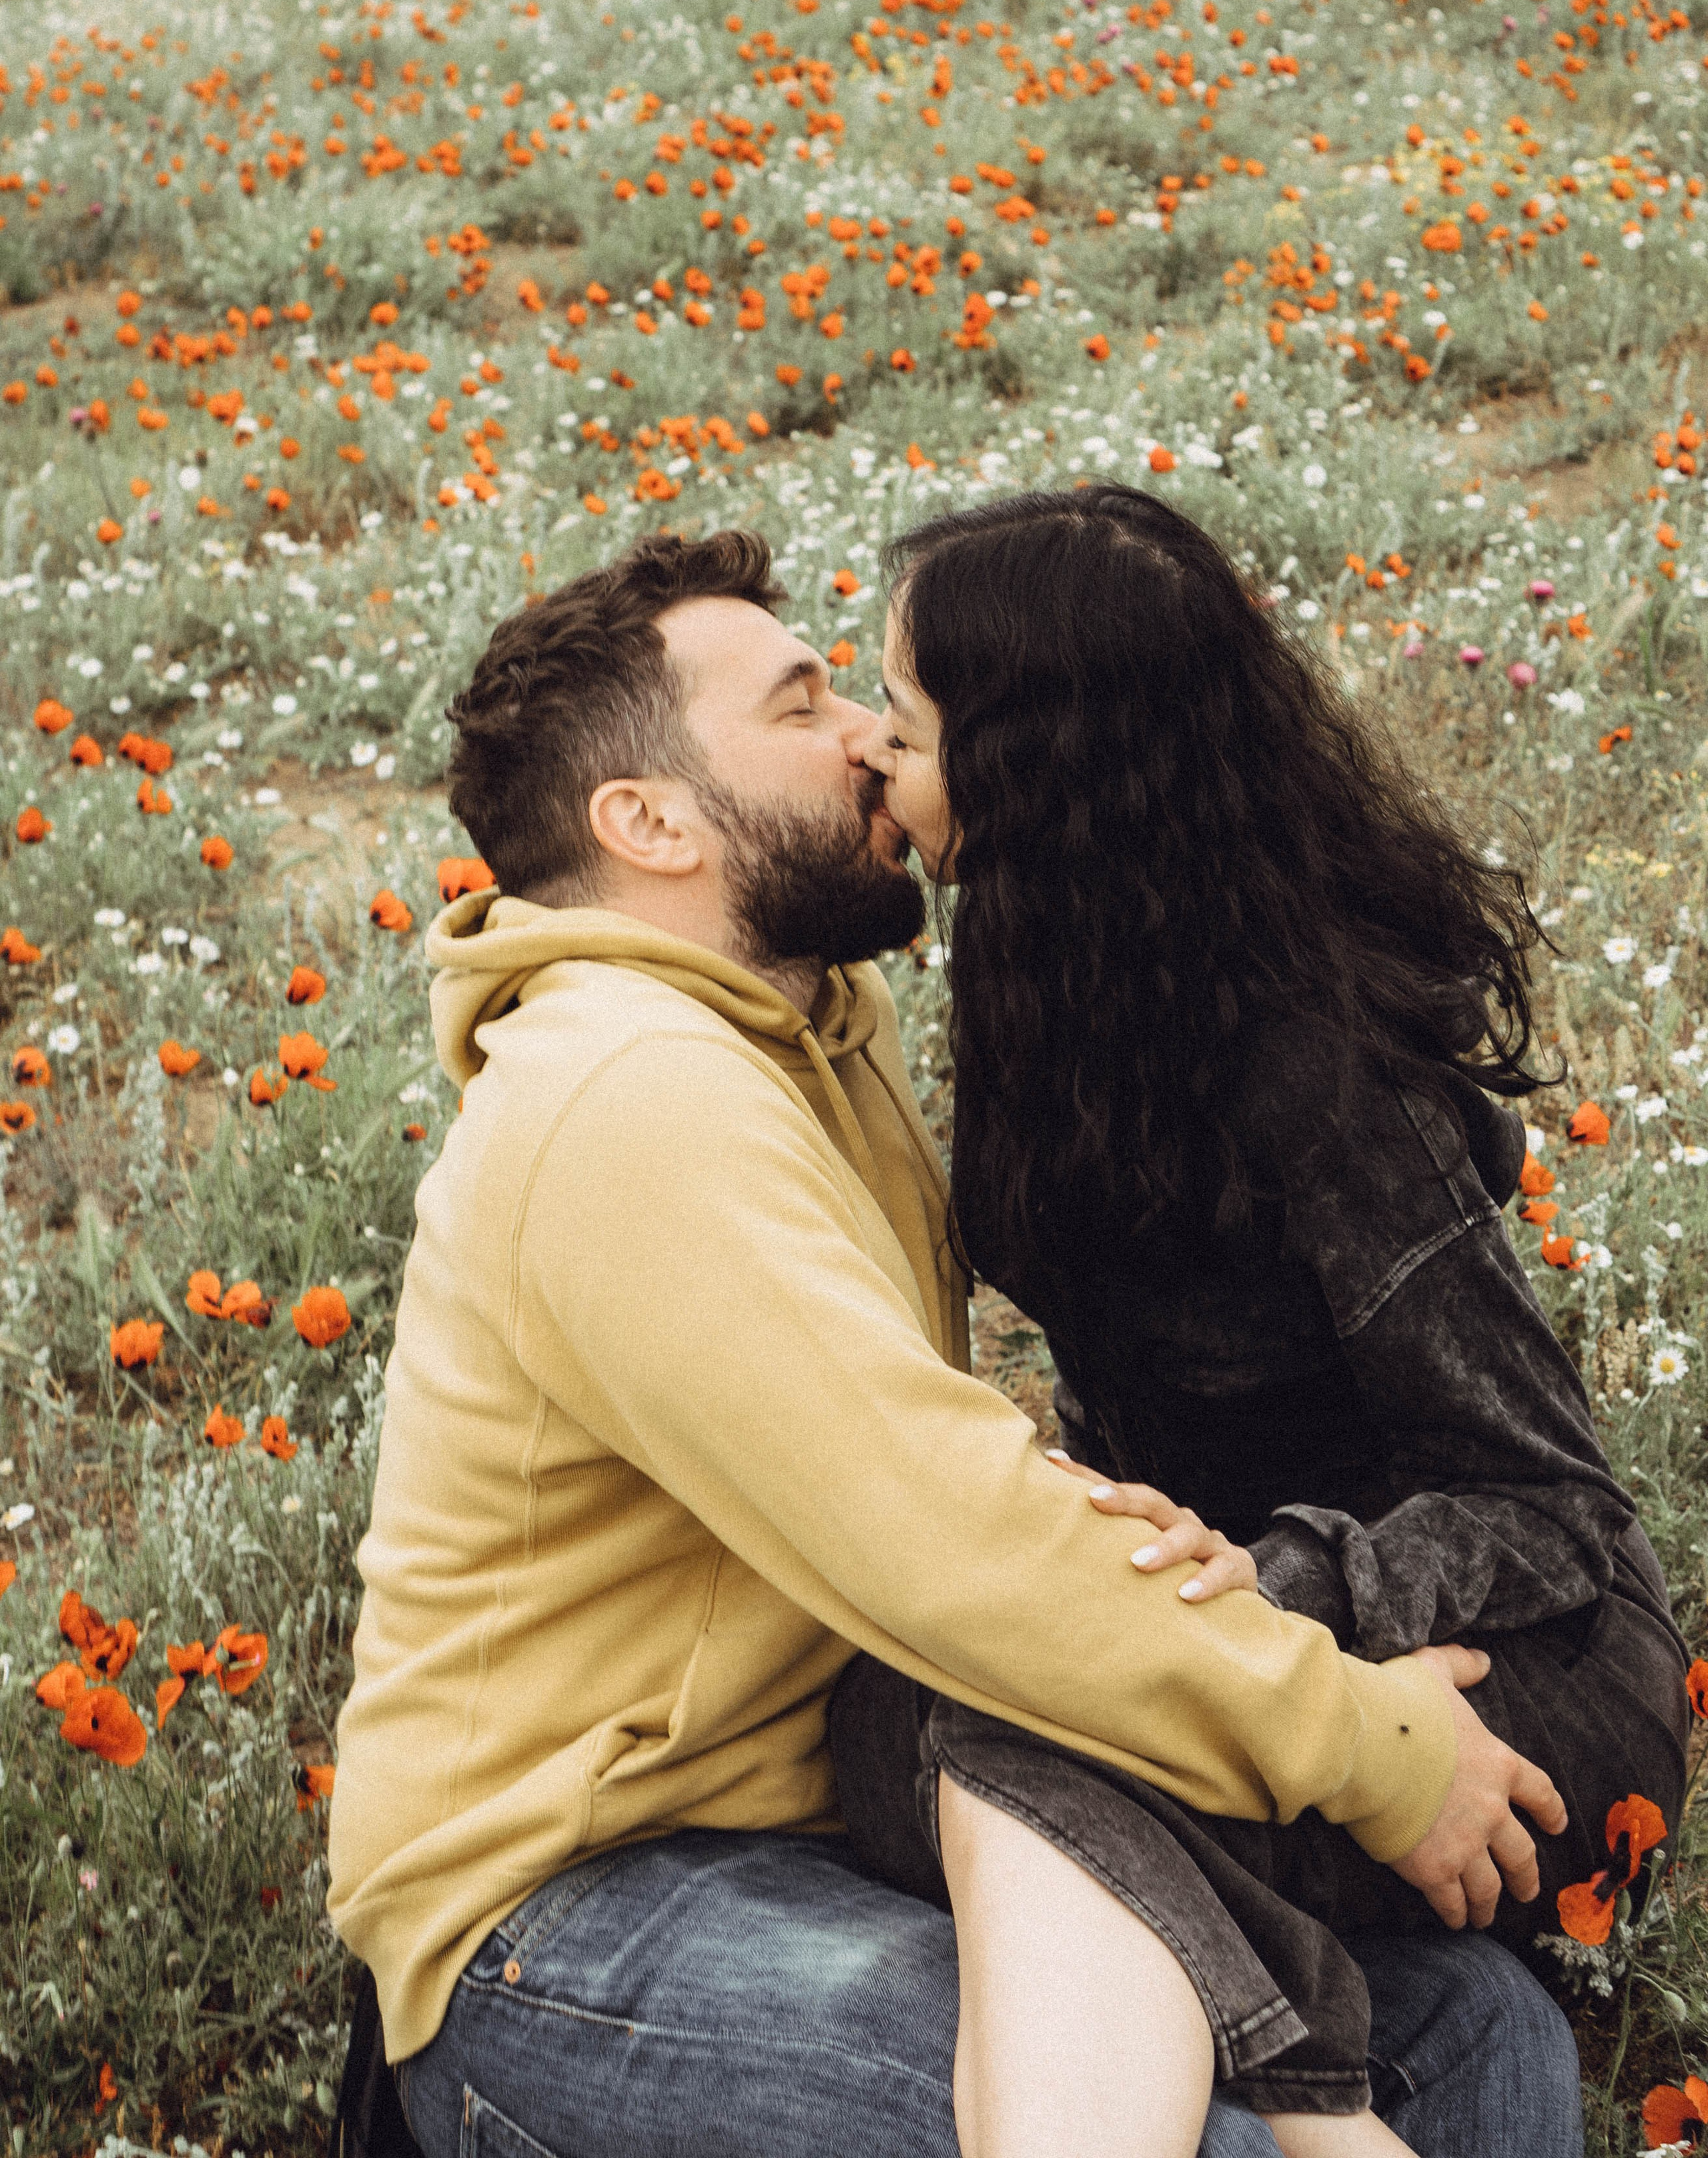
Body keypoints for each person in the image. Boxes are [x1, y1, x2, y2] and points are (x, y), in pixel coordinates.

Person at [326, 526, 1582, 2158]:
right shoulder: (622, 1096)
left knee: (1476, 2035)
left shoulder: (801, 1040)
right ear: (644, 823)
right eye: (797, 706)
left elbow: (934, 1483)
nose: (866, 733)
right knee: (1177, 2135)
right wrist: (1358, 1739)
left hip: (822, 1822)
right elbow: (943, 1532)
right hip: (567, 1917)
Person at [850, 480, 1688, 2142]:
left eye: (900, 716)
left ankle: (1302, 2099)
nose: (873, 755)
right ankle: (1316, 2079)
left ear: (1038, 778)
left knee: (972, 1761)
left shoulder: (1319, 1079)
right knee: (887, 1725)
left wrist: (1290, 1576)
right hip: (1233, 1646)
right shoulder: (1050, 989)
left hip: (1498, 1675)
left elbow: (1555, 1510)